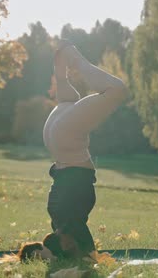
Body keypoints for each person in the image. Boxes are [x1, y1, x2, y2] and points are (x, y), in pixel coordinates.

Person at [42, 40, 128, 259]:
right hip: (57, 142)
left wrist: (86, 255)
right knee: (69, 99)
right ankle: (61, 68)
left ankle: (73, 57)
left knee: (117, 90)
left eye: (67, 246)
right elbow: (68, 241)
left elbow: (87, 251)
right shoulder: (59, 218)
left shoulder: (69, 223)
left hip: (64, 139)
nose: (70, 245)